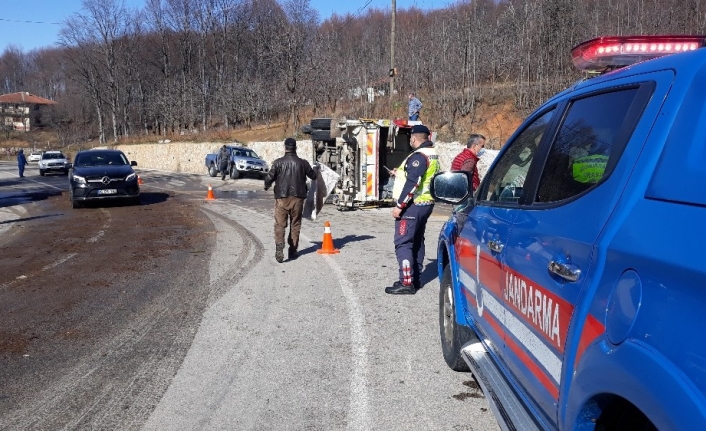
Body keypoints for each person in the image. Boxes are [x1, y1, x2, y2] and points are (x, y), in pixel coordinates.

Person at [386, 124, 440, 295]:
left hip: (413, 205)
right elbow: (418, 177)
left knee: (403, 243)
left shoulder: (419, 156)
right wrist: (399, 173)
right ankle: (414, 278)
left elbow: (414, 182)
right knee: (417, 241)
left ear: (414, 138)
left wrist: (399, 206)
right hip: (425, 204)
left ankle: (406, 282)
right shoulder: (432, 154)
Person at [264, 138, 318, 263]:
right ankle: (293, 250)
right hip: (298, 198)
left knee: (280, 224)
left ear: (285, 148)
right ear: (296, 148)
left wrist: (267, 186)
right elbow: (313, 176)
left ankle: (279, 244)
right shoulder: (303, 163)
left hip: (281, 198)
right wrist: (315, 169)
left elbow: (269, 177)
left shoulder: (278, 162)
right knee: (295, 224)